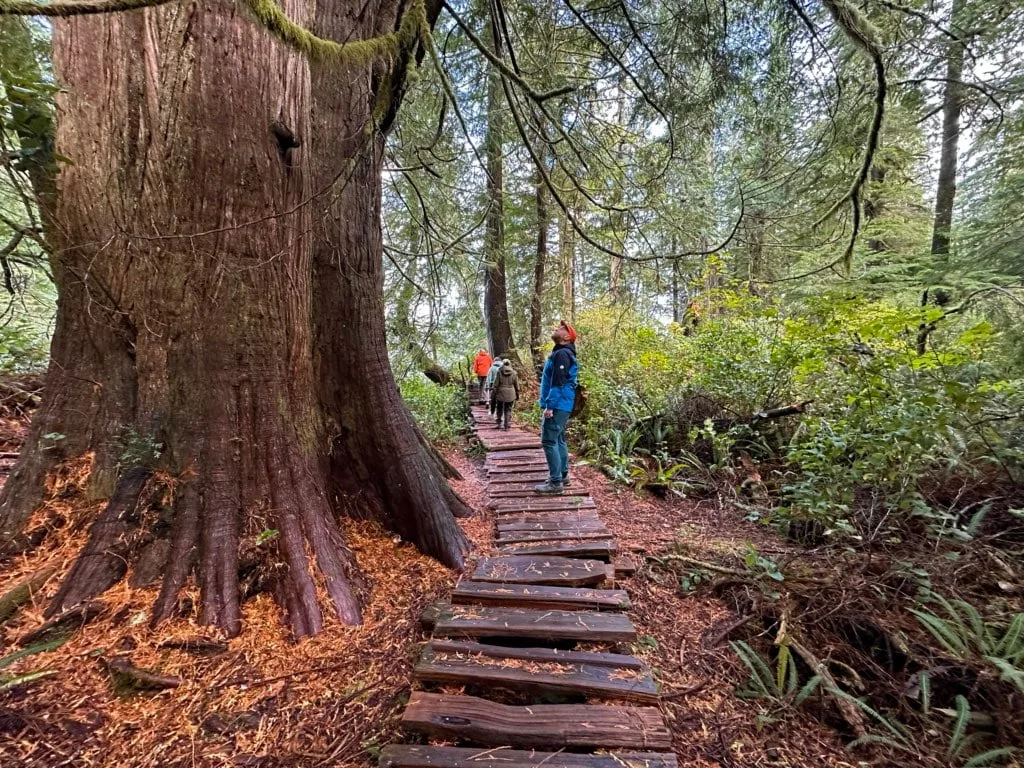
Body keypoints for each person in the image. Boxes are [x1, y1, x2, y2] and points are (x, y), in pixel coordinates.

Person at [535, 321, 578, 495]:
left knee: (548, 440)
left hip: (558, 404)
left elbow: (558, 383)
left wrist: (549, 406)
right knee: (558, 439)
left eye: (562, 328)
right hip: (563, 404)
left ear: (567, 337)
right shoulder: (563, 353)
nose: (557, 329)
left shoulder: (562, 354)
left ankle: (555, 483)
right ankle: (563, 475)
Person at [492, 359, 520, 430]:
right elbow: (517, 386)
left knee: (499, 407)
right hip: (511, 394)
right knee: (508, 409)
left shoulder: (499, 372)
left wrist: (494, 393)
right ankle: (507, 425)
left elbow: (496, 384)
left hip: (500, 393)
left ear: (503, 364)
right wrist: (517, 394)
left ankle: (499, 423)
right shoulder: (514, 373)